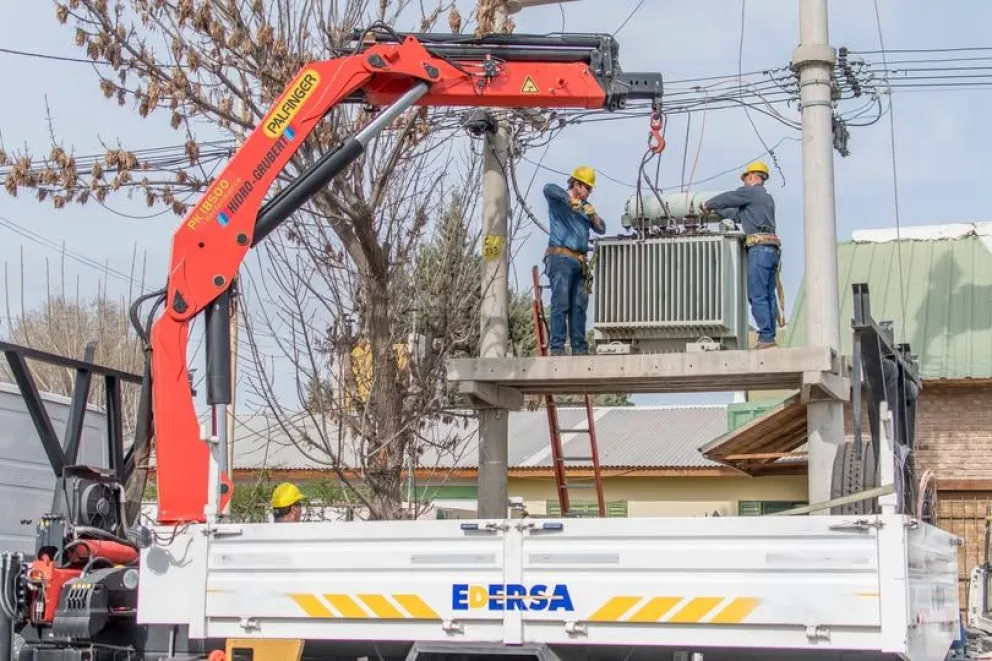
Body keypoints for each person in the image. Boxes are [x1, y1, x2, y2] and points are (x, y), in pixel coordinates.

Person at [700, 161, 781, 349]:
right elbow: (736, 214)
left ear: (752, 176)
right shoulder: (764, 199)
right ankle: (769, 335)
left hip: (759, 249)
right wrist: (717, 209)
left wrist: (708, 204)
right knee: (768, 295)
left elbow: (730, 197)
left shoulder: (751, 192)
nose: (744, 183)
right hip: (771, 249)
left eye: (745, 179)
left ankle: (766, 338)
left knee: (757, 294)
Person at [542, 165, 606, 356]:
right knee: (561, 303)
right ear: (576, 184)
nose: (589, 193)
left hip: (579, 262)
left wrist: (592, 214)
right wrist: (568, 199)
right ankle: (558, 347)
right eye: (587, 188)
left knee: (579, 307)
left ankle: (579, 348)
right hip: (560, 257)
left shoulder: (584, 209)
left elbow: (601, 228)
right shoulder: (559, 200)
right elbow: (547, 188)